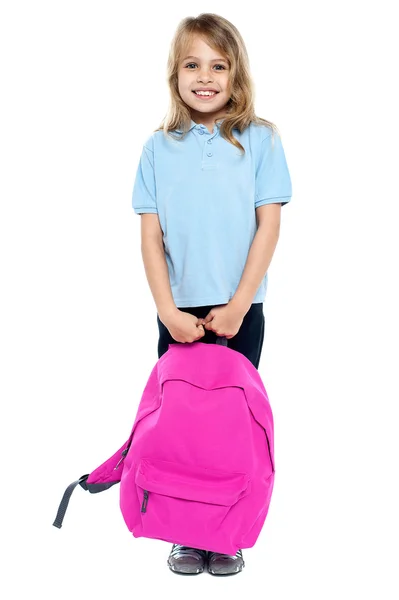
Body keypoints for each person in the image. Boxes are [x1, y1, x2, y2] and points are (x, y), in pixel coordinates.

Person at [131, 13, 292, 576]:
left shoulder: (261, 140)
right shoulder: (157, 148)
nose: (205, 77)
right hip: (178, 314)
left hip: (240, 309)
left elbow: (267, 226)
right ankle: (183, 531)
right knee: (180, 429)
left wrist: (242, 302)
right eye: (192, 64)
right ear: (175, 74)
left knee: (228, 431)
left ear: (235, 73)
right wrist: (166, 310)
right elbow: (151, 238)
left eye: (218, 65)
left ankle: (226, 535)